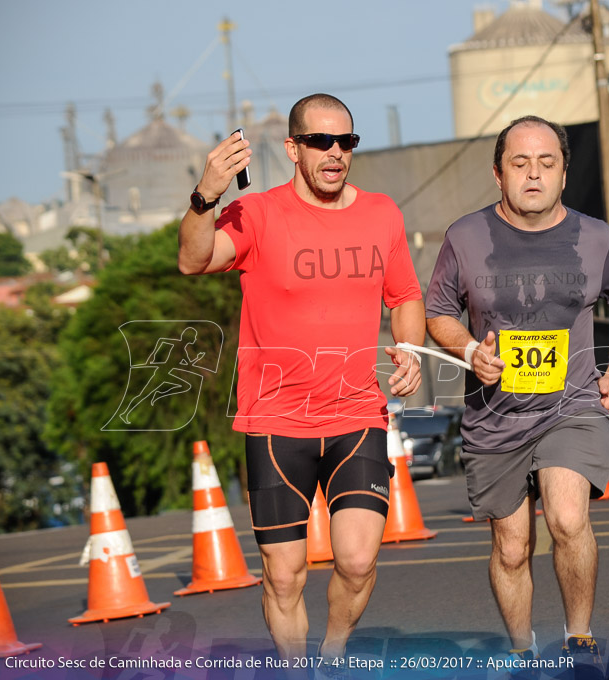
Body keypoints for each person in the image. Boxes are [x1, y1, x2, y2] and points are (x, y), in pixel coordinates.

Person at [177, 93, 425, 670]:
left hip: (357, 413)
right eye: (320, 142)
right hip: (273, 422)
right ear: (293, 148)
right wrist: (206, 194)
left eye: (346, 142)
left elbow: (406, 294)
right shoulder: (257, 213)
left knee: (359, 561)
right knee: (284, 576)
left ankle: (333, 655)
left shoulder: (383, 213)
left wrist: (409, 349)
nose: (335, 153)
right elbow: (193, 259)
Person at [425, 116, 609, 672]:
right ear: (497, 174)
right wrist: (470, 348)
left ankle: (579, 641)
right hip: (494, 416)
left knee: (568, 518)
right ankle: (523, 652)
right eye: (520, 163)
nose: (534, 174)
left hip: (571, 407)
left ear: (564, 174)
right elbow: (436, 313)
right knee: (511, 547)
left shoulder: (594, 236)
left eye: (546, 163)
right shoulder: (465, 236)